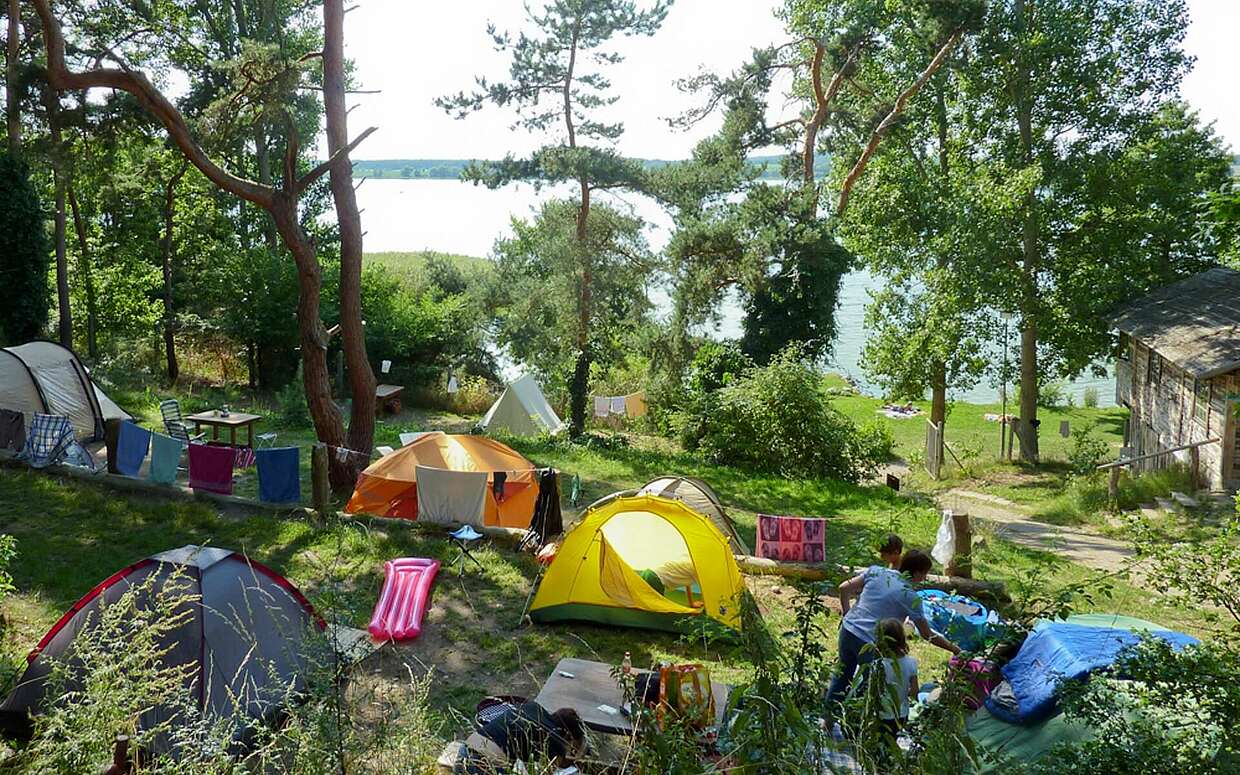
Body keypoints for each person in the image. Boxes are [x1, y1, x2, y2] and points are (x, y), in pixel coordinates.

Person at [826, 550, 960, 713]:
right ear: (917, 572)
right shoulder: (910, 596)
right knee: (870, 689)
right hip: (870, 643)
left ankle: (827, 721)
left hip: (848, 631)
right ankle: (855, 727)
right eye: (924, 574)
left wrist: (848, 614)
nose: (924, 578)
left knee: (842, 676)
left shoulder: (877, 571)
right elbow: (927, 634)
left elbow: (844, 588)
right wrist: (955, 649)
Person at [463, 701, 586, 770]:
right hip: (484, 766)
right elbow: (555, 768)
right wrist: (577, 756)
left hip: (463, 754)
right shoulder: (553, 737)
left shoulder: (533, 707)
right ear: (568, 736)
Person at [874, 618, 918, 739]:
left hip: (882, 714)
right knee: (892, 741)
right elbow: (915, 692)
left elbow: (874, 692)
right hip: (902, 714)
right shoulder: (911, 663)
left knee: (881, 743)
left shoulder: (879, 665)